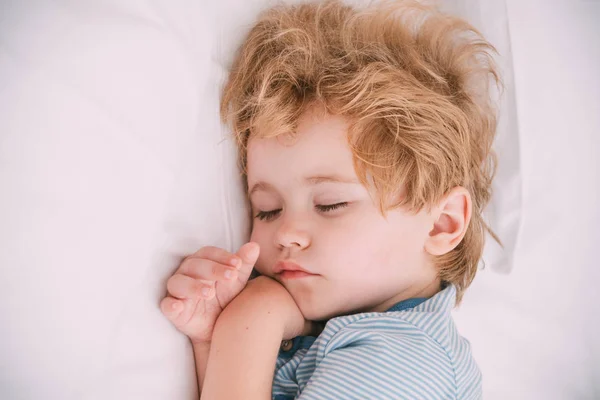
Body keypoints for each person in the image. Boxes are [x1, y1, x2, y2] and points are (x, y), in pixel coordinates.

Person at [161, 0, 501, 398]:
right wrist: (213, 341)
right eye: (267, 211)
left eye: (330, 205)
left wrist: (252, 317)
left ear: (442, 223)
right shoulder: (336, 332)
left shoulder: (403, 364)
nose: (287, 233)